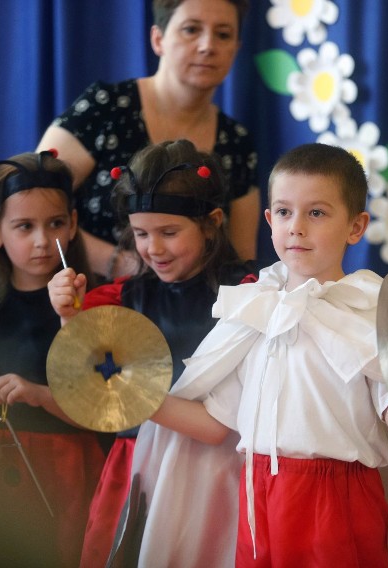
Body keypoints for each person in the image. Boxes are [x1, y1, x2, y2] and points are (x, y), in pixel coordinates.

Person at [134, 143, 388, 567]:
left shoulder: (370, 312)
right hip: (259, 496)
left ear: (356, 226)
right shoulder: (255, 309)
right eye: (285, 212)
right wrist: (133, 395)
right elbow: (217, 425)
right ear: (269, 220)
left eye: (317, 213)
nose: (296, 228)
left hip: (337, 498)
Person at [48, 138, 257, 567]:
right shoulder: (125, 298)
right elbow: (88, 373)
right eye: (141, 234)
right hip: (139, 469)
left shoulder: (252, 294)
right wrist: (69, 318)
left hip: (221, 472)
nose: (153, 249)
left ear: (212, 222)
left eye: (169, 232)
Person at [0, 151, 107, 568]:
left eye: (55, 224)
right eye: (24, 226)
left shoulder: (99, 303)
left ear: (72, 224)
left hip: (72, 473)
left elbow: (104, 410)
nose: (41, 240)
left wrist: (39, 395)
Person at [37, 0, 260, 282]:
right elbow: (34, 205)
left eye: (223, 34)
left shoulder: (237, 141)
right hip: (87, 299)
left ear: (236, 49)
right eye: (191, 30)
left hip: (193, 312)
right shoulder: (106, 108)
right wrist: (126, 265)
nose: (207, 45)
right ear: (158, 39)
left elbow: (240, 257)